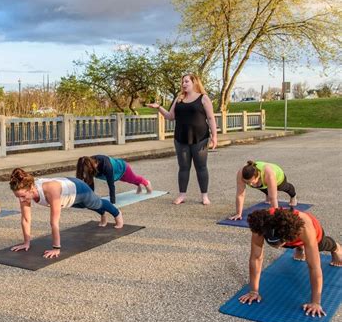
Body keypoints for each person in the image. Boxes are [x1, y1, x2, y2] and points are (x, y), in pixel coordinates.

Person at [239, 207, 341, 317]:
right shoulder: (261, 226)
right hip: (287, 233)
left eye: (279, 244)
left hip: (310, 231)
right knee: (293, 246)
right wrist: (253, 291)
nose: (277, 248)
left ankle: (337, 248)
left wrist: (316, 302)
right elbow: (256, 258)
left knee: (322, 245)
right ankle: (299, 247)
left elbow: (314, 266)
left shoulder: (304, 227)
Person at [9, 168, 124, 259]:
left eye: (22, 196)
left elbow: (54, 222)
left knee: (96, 203)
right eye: (18, 197)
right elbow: (26, 219)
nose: (21, 200)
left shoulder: (50, 190)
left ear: (31, 188)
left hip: (78, 189)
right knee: (85, 206)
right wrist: (26, 243)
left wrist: (56, 248)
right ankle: (103, 214)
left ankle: (117, 213)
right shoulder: (25, 193)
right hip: (67, 196)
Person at [147, 73, 217, 205]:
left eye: (186, 82)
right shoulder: (178, 99)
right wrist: (159, 108)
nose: (184, 84)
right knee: (183, 167)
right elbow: (170, 116)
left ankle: (204, 196)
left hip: (200, 138)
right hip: (181, 138)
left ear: (194, 83)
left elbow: (211, 118)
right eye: (183, 82)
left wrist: (215, 137)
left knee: (201, 167)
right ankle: (182, 195)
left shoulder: (203, 98)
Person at [229, 160, 297, 220]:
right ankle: (266, 193)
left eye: (251, 182)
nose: (250, 184)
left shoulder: (269, 175)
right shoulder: (241, 173)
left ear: (258, 176)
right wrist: (238, 214)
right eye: (247, 182)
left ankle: (293, 196)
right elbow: (240, 195)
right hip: (262, 181)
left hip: (278, 176)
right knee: (259, 186)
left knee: (283, 188)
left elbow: (273, 198)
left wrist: (275, 215)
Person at [75, 155, 152, 204]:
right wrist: (89, 198)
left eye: (86, 171)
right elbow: (89, 182)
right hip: (114, 172)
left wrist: (113, 202)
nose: (85, 173)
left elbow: (111, 185)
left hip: (122, 168)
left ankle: (146, 183)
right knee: (129, 180)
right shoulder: (87, 162)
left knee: (132, 179)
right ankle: (138, 185)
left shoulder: (106, 166)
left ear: (92, 166)